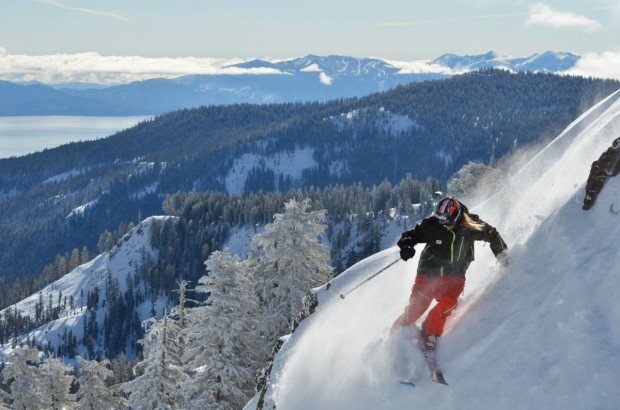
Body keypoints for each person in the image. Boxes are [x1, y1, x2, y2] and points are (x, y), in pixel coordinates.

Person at [392, 196, 509, 353]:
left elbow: (492, 235)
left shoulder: (470, 225)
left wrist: (503, 256)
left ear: (457, 215)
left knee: (448, 302)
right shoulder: (432, 225)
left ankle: (430, 331)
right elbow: (411, 235)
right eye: (440, 220)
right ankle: (396, 334)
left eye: (446, 221)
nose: (443, 224)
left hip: (454, 275)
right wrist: (406, 246)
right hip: (429, 272)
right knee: (417, 306)